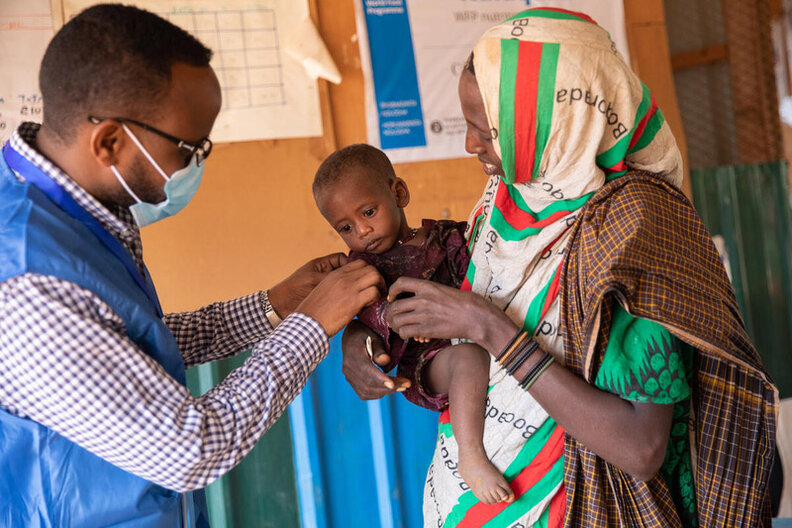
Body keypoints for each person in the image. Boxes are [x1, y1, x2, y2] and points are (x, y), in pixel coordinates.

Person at [341, 8, 778, 527]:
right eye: (470, 126)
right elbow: (445, 289)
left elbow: (641, 448)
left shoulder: (636, 228)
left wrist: (488, 327)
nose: (470, 144)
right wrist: (358, 339)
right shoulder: (512, 196)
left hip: (580, 508)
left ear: (553, 120)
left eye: (487, 129)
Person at [0, 5, 383, 527]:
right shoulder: (27, 280)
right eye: (187, 147)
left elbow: (128, 349)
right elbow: (190, 449)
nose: (194, 165)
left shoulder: (79, 207)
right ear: (110, 141)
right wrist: (311, 325)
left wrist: (274, 306)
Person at [313, 143, 514, 504]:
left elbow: (477, 264)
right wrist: (393, 317)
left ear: (399, 193)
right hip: (424, 363)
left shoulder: (445, 236)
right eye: (345, 227)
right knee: (469, 359)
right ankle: (471, 455)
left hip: (477, 332)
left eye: (368, 211)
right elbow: (367, 311)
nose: (362, 231)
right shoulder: (361, 270)